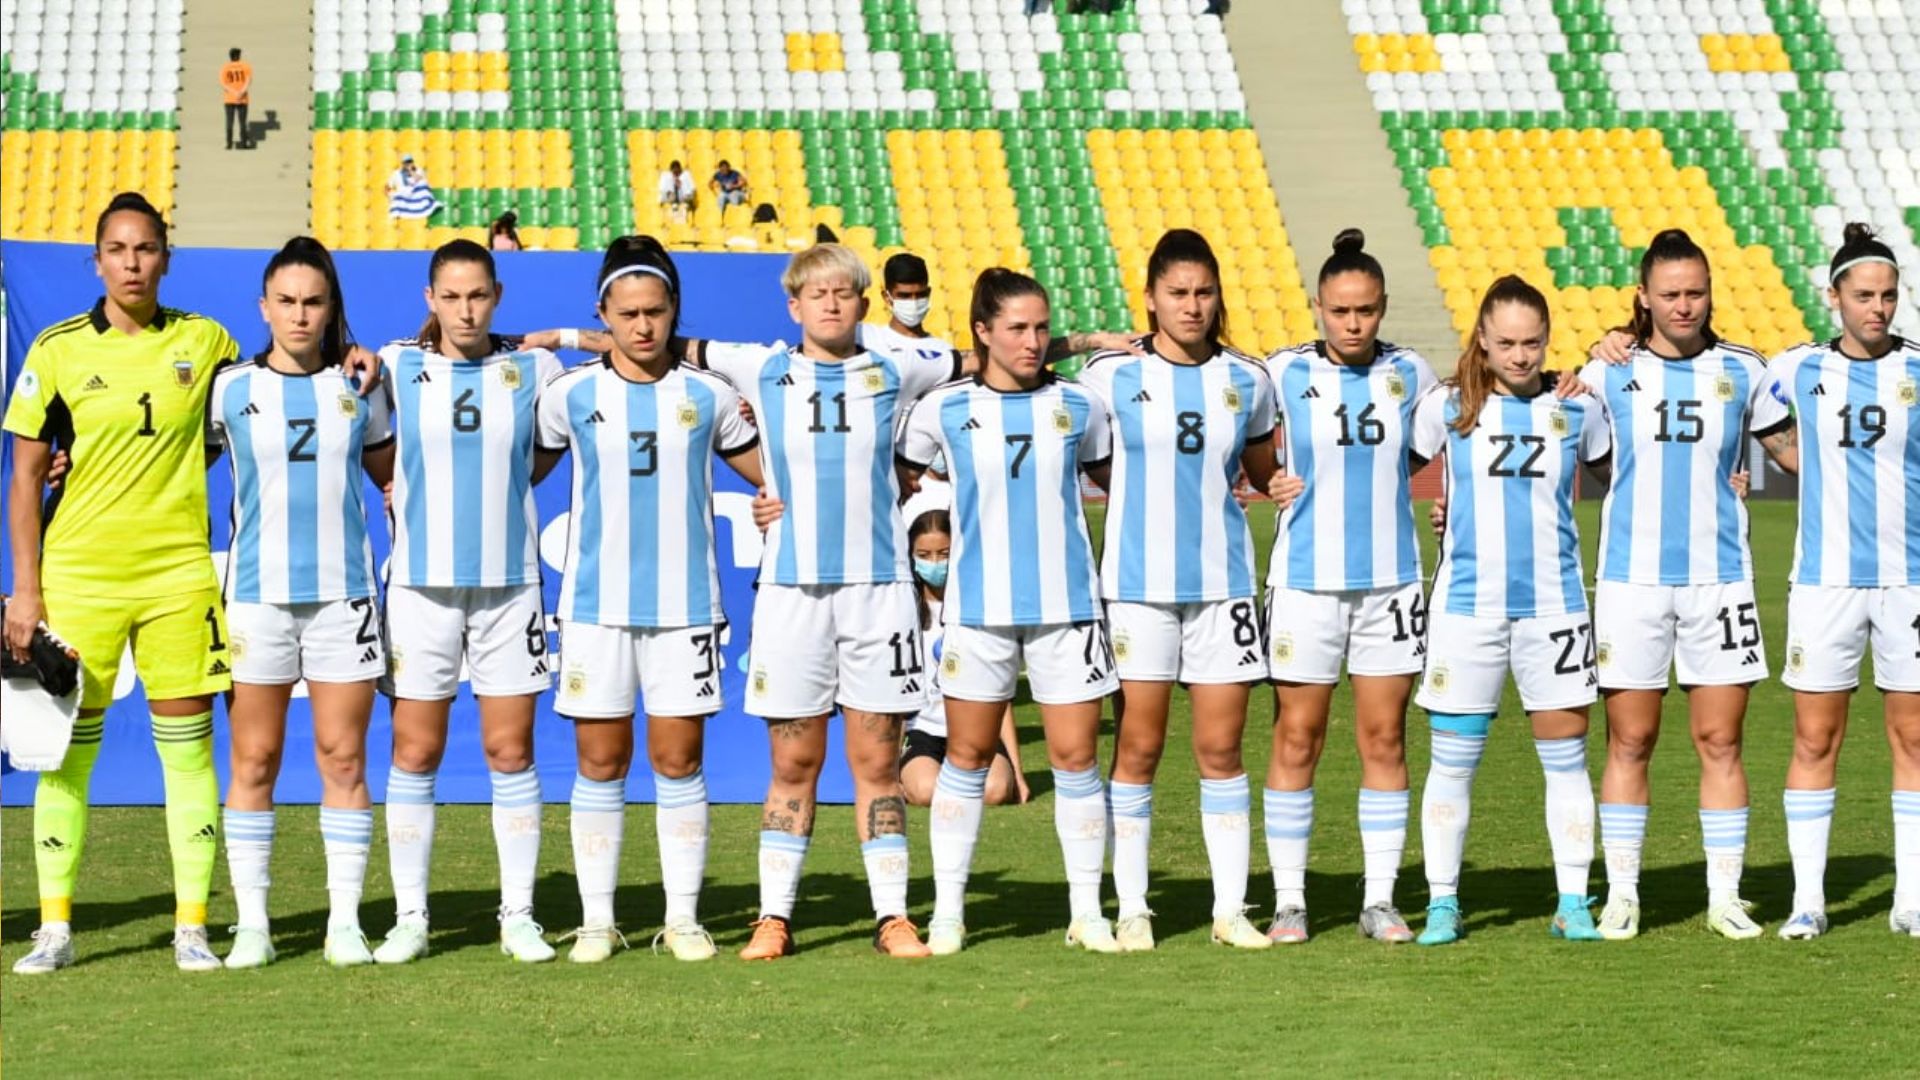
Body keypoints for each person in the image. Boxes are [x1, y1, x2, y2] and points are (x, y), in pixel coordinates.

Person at [4, 193, 241, 974]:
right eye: (118, 249)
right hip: (79, 578)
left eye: (146, 249)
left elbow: (234, 423)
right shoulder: (58, 348)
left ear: (166, 258)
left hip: (178, 575)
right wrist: (25, 593)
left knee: (188, 756)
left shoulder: (207, 342)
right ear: (97, 260)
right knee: (65, 757)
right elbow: (26, 477)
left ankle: (192, 927)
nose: (132, 263)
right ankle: (55, 928)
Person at [699, 244, 951, 960]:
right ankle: (774, 918)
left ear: (865, 306)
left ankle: (893, 916)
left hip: (879, 594)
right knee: (794, 765)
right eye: (818, 295)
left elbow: (993, 355)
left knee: (877, 763)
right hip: (790, 594)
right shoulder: (761, 367)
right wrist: (551, 340)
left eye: (845, 293)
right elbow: (642, 343)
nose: (832, 304)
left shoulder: (897, 368)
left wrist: (1086, 343)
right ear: (795, 306)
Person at [535, 236, 766, 963]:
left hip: (687, 608)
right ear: (603, 313)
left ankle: (684, 918)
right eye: (628, 313)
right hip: (596, 608)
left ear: (674, 312)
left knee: (678, 761)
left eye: (655, 312)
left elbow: (772, 474)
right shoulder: (570, 394)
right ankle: (599, 920)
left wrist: (777, 498)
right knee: (599, 763)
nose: (642, 326)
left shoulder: (711, 395)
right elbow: (515, 472)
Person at [899, 267, 1121, 956]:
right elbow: (904, 478)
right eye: (1017, 328)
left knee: (1076, 759)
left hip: (1068, 609)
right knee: (965, 759)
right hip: (978, 611)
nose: (1032, 341)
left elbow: (1116, 487)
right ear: (983, 332)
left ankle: (1087, 912)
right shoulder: (942, 409)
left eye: (1040, 328)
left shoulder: (1082, 406)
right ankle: (949, 913)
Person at [1574, 229, 1787, 941]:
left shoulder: (1746, 371)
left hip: (1719, 583)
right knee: (1629, 741)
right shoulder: (1606, 374)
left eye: (1695, 291)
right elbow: (1580, 457)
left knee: (1720, 741)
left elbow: (1794, 449)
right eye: (1670, 294)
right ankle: (1624, 894)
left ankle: (1725, 894)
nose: (1684, 305)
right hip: (1631, 582)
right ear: (1643, 298)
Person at [1075, 229, 1278, 952]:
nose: (1192, 307)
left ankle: (1230, 910)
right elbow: (1087, 455)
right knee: (1139, 747)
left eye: (1203, 293)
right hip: (1137, 590)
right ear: (1152, 300)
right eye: (1177, 294)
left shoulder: (1249, 378)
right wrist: (1083, 339)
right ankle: (1132, 906)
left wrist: (1272, 483)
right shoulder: (1107, 375)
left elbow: (1259, 466)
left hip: (1222, 588)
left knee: (1221, 750)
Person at [373, 239, 565, 965]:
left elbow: (549, 445)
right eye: (451, 296)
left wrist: (563, 335)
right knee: (415, 751)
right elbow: (359, 432)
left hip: (510, 586)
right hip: (420, 588)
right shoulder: (395, 365)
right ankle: (411, 918)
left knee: (509, 749)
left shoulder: (534, 368)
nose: (465, 309)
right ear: (430, 299)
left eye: (478, 295)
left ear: (498, 295)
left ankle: (517, 914)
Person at [207, 237, 395, 969]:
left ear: (331, 308)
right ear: (264, 307)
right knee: (254, 759)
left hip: (343, 597)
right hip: (254, 599)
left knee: (342, 758)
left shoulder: (358, 385)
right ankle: (253, 924)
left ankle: (343, 924)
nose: (299, 314)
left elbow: (387, 470)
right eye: (285, 301)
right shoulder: (229, 389)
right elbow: (177, 462)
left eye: (313, 301)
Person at [1406, 274, 1610, 946]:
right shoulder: (1448, 407)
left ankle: (1573, 899)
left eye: (1532, 342)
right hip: (1468, 611)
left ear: (1548, 341)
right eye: (1506, 344)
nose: (1521, 356)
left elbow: (1622, 482)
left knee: (1566, 761)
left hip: (1554, 611)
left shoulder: (1581, 407)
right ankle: (1442, 902)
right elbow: (1391, 474)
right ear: (1483, 344)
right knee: (1454, 763)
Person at [1259, 229, 1439, 944]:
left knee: (1384, 738)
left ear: (1383, 306)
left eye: (1365, 310)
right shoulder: (1279, 373)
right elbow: (1243, 442)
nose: (1354, 323)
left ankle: (1380, 899)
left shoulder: (1412, 372)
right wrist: (1262, 477)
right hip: (1304, 583)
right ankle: (1290, 901)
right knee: (1297, 736)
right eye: (1339, 311)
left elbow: (1424, 449)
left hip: (1389, 584)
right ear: (1317, 307)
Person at [1748, 224, 1920, 940]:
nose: (1877, 309)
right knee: (1815, 738)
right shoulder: (1795, 369)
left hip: (1909, 583)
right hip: (1824, 584)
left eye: (1887, 296)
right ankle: (1809, 902)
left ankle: (1910, 898)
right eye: (1863, 297)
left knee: (1912, 739)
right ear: (1835, 298)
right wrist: (1806, 466)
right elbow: (1764, 428)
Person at [896, 492, 1028, 808]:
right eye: (925, 555)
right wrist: (888, 770)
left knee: (996, 792)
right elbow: (897, 694)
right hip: (924, 733)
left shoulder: (978, 609)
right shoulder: (903, 611)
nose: (935, 563)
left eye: (944, 553)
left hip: (977, 728)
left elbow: (1001, 697)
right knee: (925, 792)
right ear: (911, 556)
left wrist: (1018, 774)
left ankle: (972, 774)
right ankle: (920, 773)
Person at [386, 155, 439, 220]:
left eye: (410, 162)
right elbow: (388, 185)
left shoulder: (418, 170)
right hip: (403, 194)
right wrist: (389, 195)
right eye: (406, 162)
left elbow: (420, 180)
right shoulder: (396, 173)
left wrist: (411, 171)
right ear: (403, 164)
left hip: (415, 193)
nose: (408, 164)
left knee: (423, 184)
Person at [221, 47, 253, 150]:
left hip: (229, 98)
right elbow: (248, 81)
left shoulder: (225, 67)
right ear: (239, 56)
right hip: (242, 98)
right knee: (242, 122)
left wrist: (233, 92)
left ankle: (229, 144)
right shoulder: (245, 66)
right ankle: (244, 144)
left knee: (229, 121)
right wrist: (241, 92)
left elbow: (223, 83)